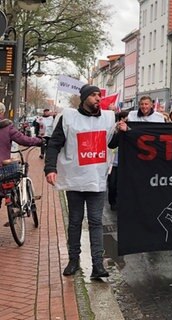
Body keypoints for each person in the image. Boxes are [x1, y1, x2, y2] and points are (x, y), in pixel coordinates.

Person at [44, 84, 119, 278]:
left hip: (97, 179)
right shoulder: (68, 118)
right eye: (93, 95)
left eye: (98, 95)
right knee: (75, 221)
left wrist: (121, 132)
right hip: (75, 179)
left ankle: (97, 265)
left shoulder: (108, 118)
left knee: (95, 222)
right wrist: (50, 168)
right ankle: (73, 260)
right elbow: (54, 144)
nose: (97, 99)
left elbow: (111, 143)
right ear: (84, 98)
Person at [107, 111, 129, 211]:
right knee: (112, 184)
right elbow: (111, 144)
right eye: (124, 119)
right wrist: (119, 131)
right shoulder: (114, 129)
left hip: (126, 163)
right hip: (114, 162)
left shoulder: (131, 129)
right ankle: (113, 202)